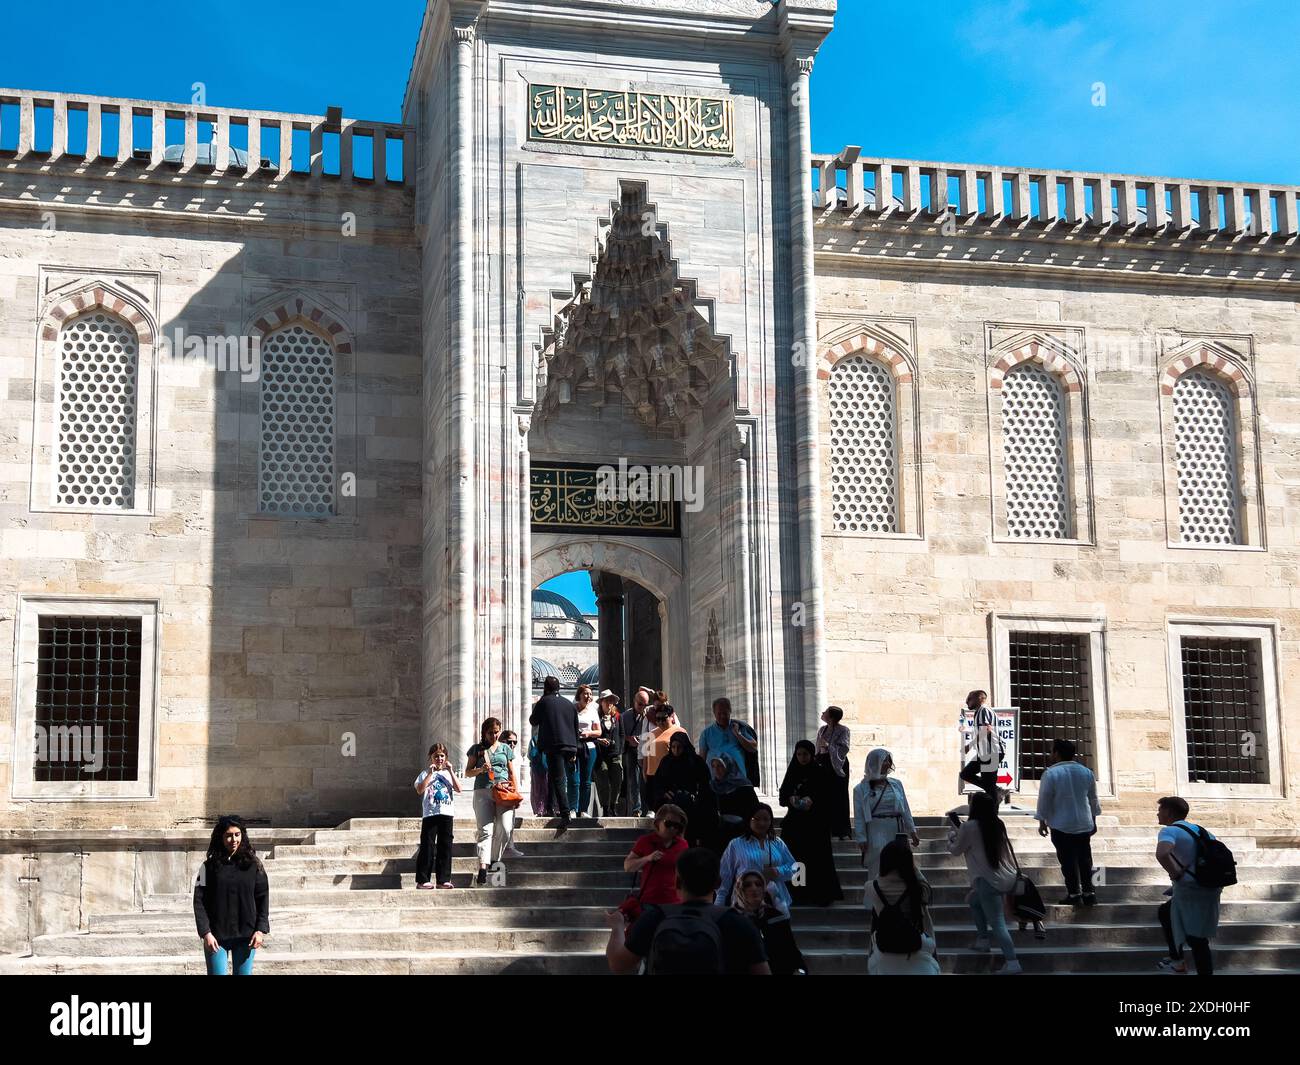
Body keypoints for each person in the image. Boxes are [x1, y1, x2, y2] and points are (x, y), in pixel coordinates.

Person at [604, 846, 770, 975]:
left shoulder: (654, 917)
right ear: (718, 883)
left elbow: (618, 965)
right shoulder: (738, 922)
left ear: (677, 882)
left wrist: (617, 926)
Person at [947, 792, 1021, 974]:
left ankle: (1012, 962)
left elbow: (957, 850)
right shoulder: (997, 824)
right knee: (974, 902)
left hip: (986, 880)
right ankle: (983, 940)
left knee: (998, 923)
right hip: (1003, 877)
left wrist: (950, 839)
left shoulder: (969, 827)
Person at [193, 814, 269, 976]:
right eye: (228, 835)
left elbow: (263, 898)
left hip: (246, 937)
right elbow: (199, 901)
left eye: (237, 834)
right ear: (220, 837)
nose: (233, 840)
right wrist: (206, 933)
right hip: (216, 938)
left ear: (242, 835)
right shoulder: (207, 867)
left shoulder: (254, 865)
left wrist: (260, 930)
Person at [1155, 796, 1223, 976]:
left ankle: (1178, 962)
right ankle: (1177, 959)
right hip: (1209, 887)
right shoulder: (1202, 830)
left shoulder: (1169, 831)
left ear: (1168, 812)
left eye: (1160, 810)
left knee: (1196, 938)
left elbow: (1162, 853)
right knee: (1167, 913)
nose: (1157, 813)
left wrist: (1175, 873)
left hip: (1190, 889)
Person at [1035, 737, 1101, 906]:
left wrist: (1042, 820)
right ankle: (1089, 892)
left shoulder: (1051, 774)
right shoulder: (1086, 772)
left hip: (1061, 824)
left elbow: (1045, 799)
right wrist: (1093, 819)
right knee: (1086, 860)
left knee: (1067, 861)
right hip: (1083, 822)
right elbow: (1093, 799)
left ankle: (1074, 893)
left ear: (1056, 753)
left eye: (1052, 751)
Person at [778, 740, 843, 906]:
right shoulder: (792, 771)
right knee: (797, 860)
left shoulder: (820, 772)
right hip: (795, 825)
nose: (802, 758)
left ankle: (819, 893)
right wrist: (791, 799)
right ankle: (798, 893)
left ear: (811, 754)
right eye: (799, 754)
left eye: (805, 754)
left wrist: (813, 800)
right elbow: (783, 795)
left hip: (815, 825)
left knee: (817, 860)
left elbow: (829, 797)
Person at [866, 839, 940, 975]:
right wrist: (912, 868)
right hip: (915, 945)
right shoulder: (918, 889)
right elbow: (924, 883)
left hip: (885, 946)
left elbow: (879, 878)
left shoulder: (871, 888)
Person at [716, 804, 800, 915]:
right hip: (745, 903)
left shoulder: (777, 842)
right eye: (757, 819)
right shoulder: (736, 844)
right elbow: (724, 876)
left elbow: (797, 870)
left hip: (776, 902)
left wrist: (778, 871)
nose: (762, 823)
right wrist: (718, 904)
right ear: (749, 820)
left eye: (766, 819)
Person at [465, 716, 519, 882]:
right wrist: (481, 769)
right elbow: (468, 772)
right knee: (485, 830)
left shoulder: (505, 748)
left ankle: (495, 858)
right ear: (484, 733)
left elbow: (511, 771)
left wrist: (516, 792)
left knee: (505, 827)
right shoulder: (477, 749)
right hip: (483, 790)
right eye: (490, 733)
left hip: (503, 791)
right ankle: (483, 866)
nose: (494, 736)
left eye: (496, 732)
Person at [853, 748, 919, 881]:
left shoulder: (896, 784)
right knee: (878, 865)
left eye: (889, 761)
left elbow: (905, 808)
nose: (888, 764)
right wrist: (861, 838)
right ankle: (876, 898)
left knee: (899, 866)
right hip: (876, 831)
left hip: (896, 830)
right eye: (884, 761)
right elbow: (859, 815)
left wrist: (912, 831)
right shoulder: (860, 789)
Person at [618, 804, 690, 924]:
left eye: (677, 826)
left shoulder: (682, 845)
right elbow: (627, 866)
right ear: (658, 822)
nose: (672, 829)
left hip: (674, 904)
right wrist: (647, 858)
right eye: (669, 824)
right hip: (649, 903)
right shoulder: (646, 841)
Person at [731, 871, 808, 975]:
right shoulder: (732, 919)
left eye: (758, 884)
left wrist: (800, 971)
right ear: (740, 890)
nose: (754, 888)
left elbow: (793, 953)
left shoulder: (775, 916)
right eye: (747, 884)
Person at [529, 675, 579, 831]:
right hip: (570, 745)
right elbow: (575, 725)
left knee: (558, 778)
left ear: (546, 688)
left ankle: (565, 813)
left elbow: (533, 720)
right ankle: (550, 807)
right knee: (554, 775)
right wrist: (575, 747)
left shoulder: (544, 702)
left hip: (554, 745)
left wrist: (542, 699)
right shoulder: (568, 704)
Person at [653, 733, 718, 850]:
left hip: (693, 804)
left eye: (679, 747)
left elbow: (705, 783)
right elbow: (657, 783)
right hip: (671, 803)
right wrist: (664, 793)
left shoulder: (696, 761)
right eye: (673, 747)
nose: (676, 750)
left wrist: (696, 796)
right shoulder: (666, 762)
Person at [414, 743, 460, 889]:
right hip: (430, 813)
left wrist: (451, 771)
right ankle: (422, 880)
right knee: (428, 846)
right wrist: (430, 774)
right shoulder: (424, 773)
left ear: (446, 757)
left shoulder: (448, 774)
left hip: (446, 813)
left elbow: (459, 788)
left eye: (442, 756)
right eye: (436, 756)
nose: (439, 759)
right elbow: (420, 790)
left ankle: (443, 879)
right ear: (431, 758)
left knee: (445, 846)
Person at [697, 697, 758, 785]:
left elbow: (753, 748)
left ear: (730, 711)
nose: (722, 716)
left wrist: (737, 734)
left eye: (725, 713)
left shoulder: (739, 727)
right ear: (714, 713)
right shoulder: (706, 733)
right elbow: (702, 760)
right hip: (715, 779)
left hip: (737, 779)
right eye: (719, 713)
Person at [815, 705, 852, 839]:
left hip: (838, 764)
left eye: (826, 712)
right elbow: (818, 748)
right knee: (824, 795)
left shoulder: (844, 730)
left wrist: (829, 747)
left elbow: (844, 747)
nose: (823, 713)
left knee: (839, 795)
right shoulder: (822, 730)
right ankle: (826, 827)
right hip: (824, 763)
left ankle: (841, 829)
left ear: (831, 717)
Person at [709, 751, 759, 847]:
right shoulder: (712, 786)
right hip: (719, 832)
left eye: (720, 766)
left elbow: (754, 809)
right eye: (714, 766)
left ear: (728, 766)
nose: (716, 770)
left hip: (741, 832)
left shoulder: (744, 785)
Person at [959, 689, 1001, 803]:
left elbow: (986, 730)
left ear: (979, 698)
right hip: (985, 753)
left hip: (991, 752)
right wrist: (966, 730)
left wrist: (969, 745)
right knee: (966, 774)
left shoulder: (984, 710)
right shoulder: (979, 712)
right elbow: (981, 731)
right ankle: (996, 791)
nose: (967, 702)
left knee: (989, 785)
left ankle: (993, 812)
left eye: (969, 699)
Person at [643, 703, 686, 811]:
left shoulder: (680, 732)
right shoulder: (651, 733)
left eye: (663, 718)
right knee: (655, 806)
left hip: (670, 776)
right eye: (658, 719)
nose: (660, 721)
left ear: (672, 717)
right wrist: (645, 774)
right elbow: (646, 756)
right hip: (652, 776)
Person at [620, 686, 655, 816]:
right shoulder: (625, 716)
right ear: (634, 702)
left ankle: (649, 808)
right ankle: (636, 809)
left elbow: (665, 704)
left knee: (647, 777)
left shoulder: (651, 712)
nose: (643, 707)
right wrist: (629, 739)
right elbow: (620, 734)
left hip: (648, 747)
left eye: (645, 704)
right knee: (633, 779)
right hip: (632, 750)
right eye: (640, 704)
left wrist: (652, 692)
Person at [593, 689, 624, 818]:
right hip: (601, 755)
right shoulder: (596, 717)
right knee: (603, 781)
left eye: (611, 701)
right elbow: (592, 735)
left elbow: (622, 734)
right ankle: (605, 807)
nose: (609, 703)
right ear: (601, 702)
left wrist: (620, 748)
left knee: (617, 780)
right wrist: (599, 741)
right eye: (607, 701)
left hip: (615, 753)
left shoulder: (617, 717)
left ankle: (613, 805)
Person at [574, 684, 602, 816]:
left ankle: (583, 809)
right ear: (579, 695)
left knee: (586, 780)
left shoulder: (593, 711)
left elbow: (599, 731)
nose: (588, 696)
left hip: (589, 747)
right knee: (574, 778)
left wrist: (589, 733)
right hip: (574, 747)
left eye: (590, 694)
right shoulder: (572, 709)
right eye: (586, 693)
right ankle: (573, 807)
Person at [499, 731, 525, 859]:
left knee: (510, 821)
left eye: (515, 742)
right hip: (501, 792)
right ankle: (505, 848)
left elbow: (513, 775)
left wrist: (516, 793)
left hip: (510, 792)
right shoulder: (499, 754)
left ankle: (510, 847)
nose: (513, 745)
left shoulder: (512, 756)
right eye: (510, 742)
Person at [528, 731, 550, 818]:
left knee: (537, 789)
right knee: (547, 788)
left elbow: (530, 755)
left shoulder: (534, 739)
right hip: (548, 766)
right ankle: (550, 808)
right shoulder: (551, 737)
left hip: (536, 768)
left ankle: (540, 810)